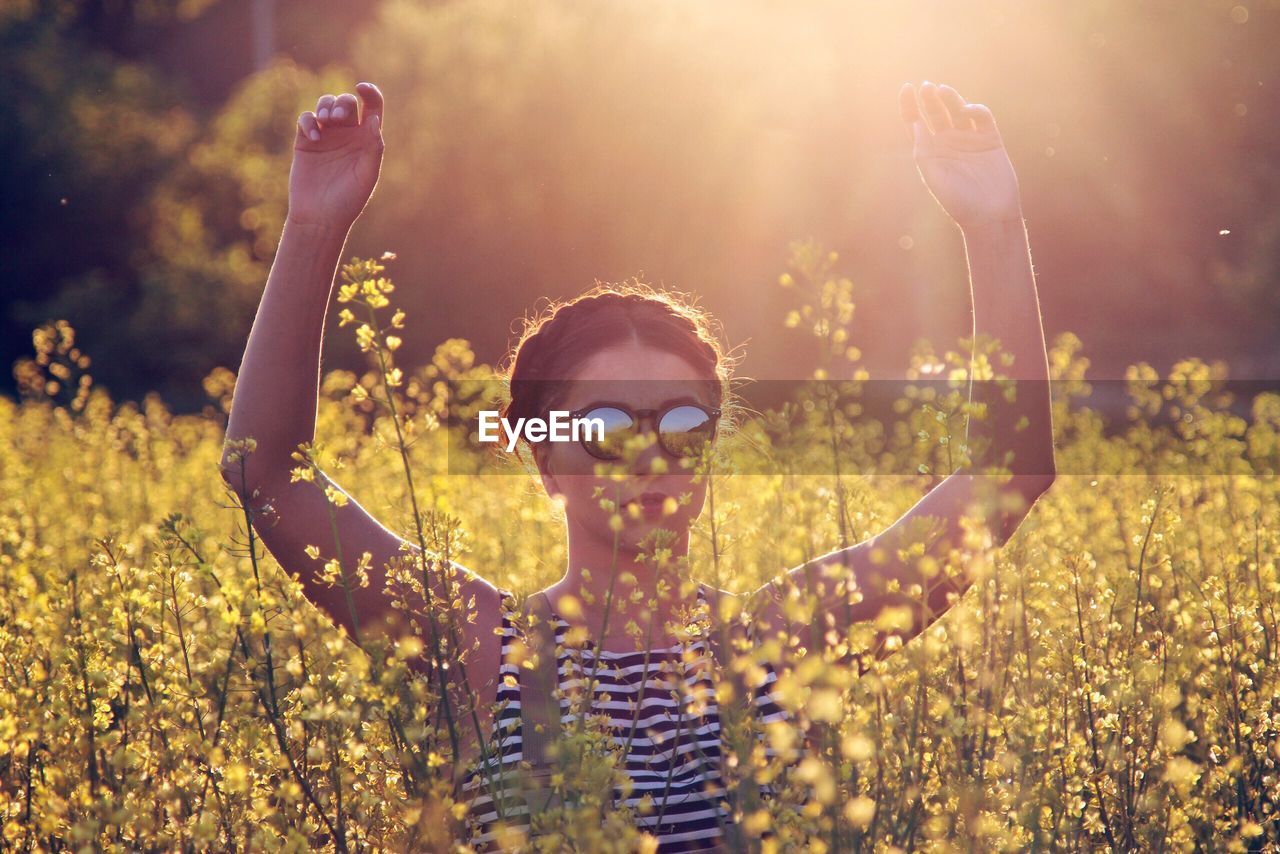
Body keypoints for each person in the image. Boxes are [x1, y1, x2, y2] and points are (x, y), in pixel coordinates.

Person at [221, 79, 1057, 851]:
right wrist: (312, 226)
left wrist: (993, 225)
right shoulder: (480, 648)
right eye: (610, 425)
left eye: (685, 424)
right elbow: (268, 477)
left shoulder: (780, 641)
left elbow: (1007, 477)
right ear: (543, 456)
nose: (652, 455)